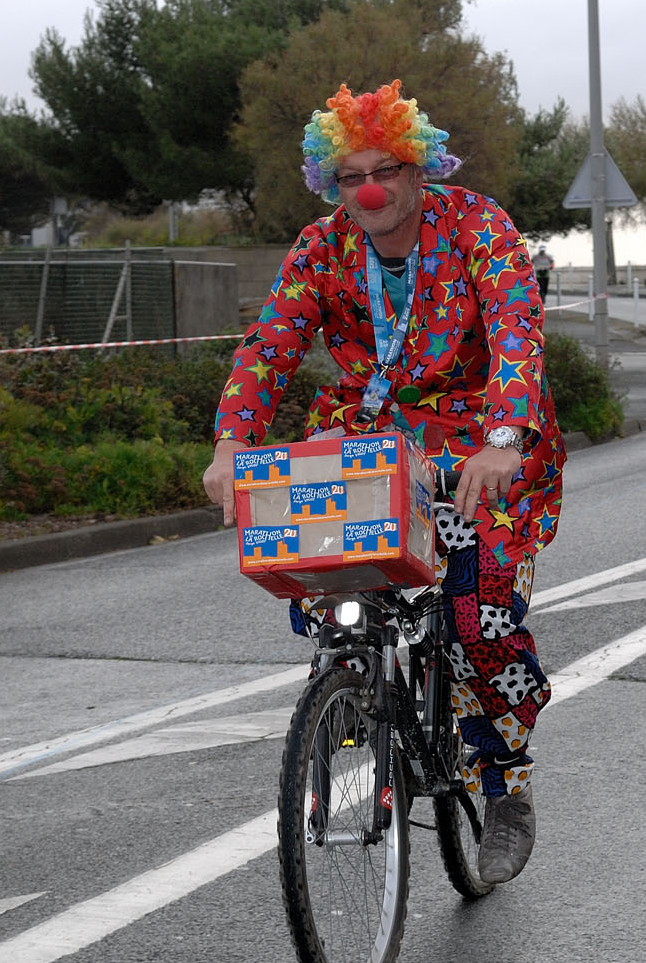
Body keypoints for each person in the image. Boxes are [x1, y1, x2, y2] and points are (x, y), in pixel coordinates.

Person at [203, 80, 564, 885]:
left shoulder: (479, 227)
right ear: (329, 183)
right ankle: (355, 707)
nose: (367, 189)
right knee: (332, 594)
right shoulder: (320, 248)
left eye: (386, 170)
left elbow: (516, 330)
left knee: (481, 617)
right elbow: (269, 347)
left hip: (478, 444)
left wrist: (503, 441)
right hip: (369, 443)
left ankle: (505, 781)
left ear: (419, 169)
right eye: (348, 175)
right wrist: (232, 441)